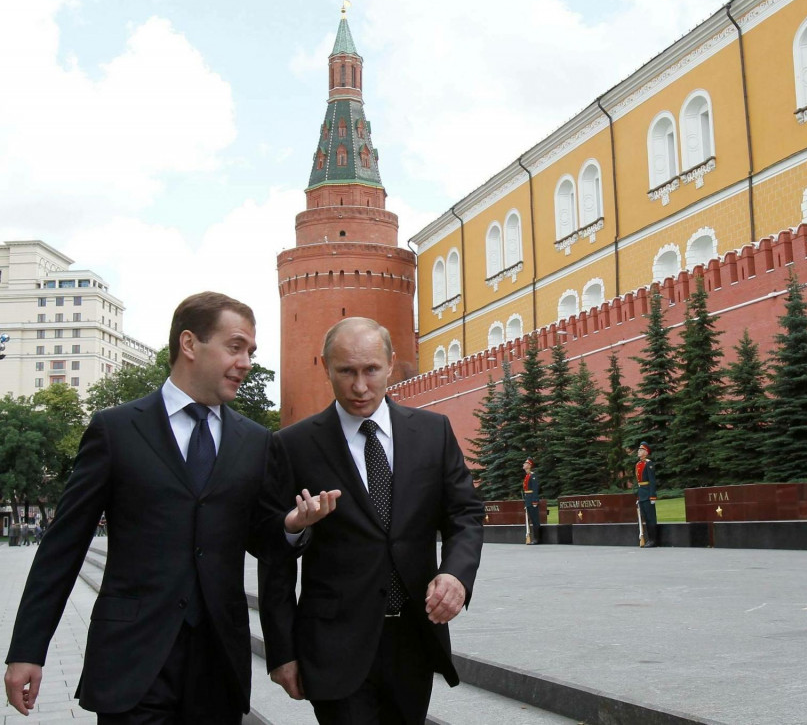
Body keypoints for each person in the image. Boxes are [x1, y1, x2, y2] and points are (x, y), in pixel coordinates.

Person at [4, 291, 340, 723]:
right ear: (188, 344)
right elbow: (63, 547)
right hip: (132, 660)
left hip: (219, 662)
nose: (247, 362)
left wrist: (293, 525)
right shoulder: (116, 430)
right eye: (235, 347)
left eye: (251, 351)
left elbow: (263, 538)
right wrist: (28, 650)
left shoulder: (256, 442)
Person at [258, 317, 484, 725]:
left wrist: (456, 575)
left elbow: (464, 513)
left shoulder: (433, 432)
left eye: (371, 370)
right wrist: (281, 651)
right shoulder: (292, 446)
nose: (360, 386)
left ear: (391, 364)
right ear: (325, 367)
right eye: (346, 371)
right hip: (332, 644)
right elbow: (273, 558)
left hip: (414, 637)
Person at [629, 441, 658, 548]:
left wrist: (653, 496)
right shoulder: (638, 464)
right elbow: (638, 482)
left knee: (651, 518)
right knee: (645, 518)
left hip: (648, 494)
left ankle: (653, 540)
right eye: (639, 450)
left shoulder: (648, 464)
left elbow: (652, 481)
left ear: (646, 452)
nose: (639, 451)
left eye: (641, 450)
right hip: (642, 494)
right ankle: (648, 539)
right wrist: (638, 496)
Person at [522, 458, 540, 545]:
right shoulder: (527, 476)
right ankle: (533, 538)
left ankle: (536, 539)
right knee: (531, 520)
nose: (523, 465)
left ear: (529, 465)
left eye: (525, 463)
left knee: (535, 520)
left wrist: (535, 501)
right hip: (528, 500)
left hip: (533, 501)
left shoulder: (533, 476)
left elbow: (535, 489)